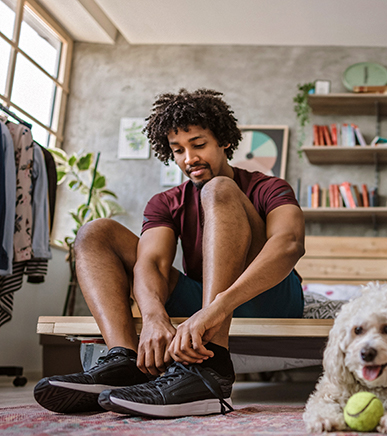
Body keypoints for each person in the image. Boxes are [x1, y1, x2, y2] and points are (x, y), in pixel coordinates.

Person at [34, 88, 305, 418]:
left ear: (225, 142)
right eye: (178, 150)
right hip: (203, 300)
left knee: (218, 188)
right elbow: (151, 263)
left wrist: (219, 306)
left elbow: (289, 244)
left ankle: (211, 373)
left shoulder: (267, 187)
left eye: (199, 144)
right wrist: (152, 315)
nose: (189, 158)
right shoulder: (166, 202)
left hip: (270, 296)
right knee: (96, 233)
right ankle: (125, 362)